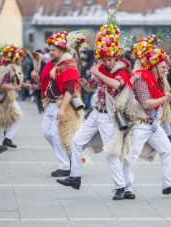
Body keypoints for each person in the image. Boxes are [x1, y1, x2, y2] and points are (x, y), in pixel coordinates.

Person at [57, 20, 132, 200]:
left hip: (109, 117)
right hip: (95, 112)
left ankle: (121, 187)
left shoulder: (121, 71)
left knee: (111, 153)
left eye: (110, 59)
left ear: (116, 57)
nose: (107, 62)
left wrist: (98, 73)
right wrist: (85, 84)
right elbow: (92, 87)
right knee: (76, 142)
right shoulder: (100, 68)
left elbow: (115, 85)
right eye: (104, 59)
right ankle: (75, 177)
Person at [121, 37, 171, 197]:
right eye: (163, 66)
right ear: (154, 66)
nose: (166, 69)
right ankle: (125, 187)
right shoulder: (142, 79)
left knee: (168, 150)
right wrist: (165, 98)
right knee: (131, 156)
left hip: (153, 125)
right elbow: (145, 103)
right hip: (140, 124)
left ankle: (167, 185)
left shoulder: (157, 80)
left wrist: (165, 98)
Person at [33, 31, 85, 177]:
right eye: (50, 50)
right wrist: (37, 79)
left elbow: (70, 87)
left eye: (53, 50)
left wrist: (62, 108)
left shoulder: (68, 64)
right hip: (49, 104)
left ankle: (65, 166)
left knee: (57, 136)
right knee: (46, 132)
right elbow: (48, 84)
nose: (50, 52)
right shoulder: (50, 64)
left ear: (62, 51)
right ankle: (69, 159)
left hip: (62, 104)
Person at [0, 44, 25, 149]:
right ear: (14, 58)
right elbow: (2, 84)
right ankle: (3, 140)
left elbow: (12, 82)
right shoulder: (8, 68)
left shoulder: (7, 67)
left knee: (4, 121)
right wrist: (15, 88)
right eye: (19, 57)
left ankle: (0, 142)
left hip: (6, 98)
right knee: (12, 118)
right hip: (4, 99)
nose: (21, 59)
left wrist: (24, 85)